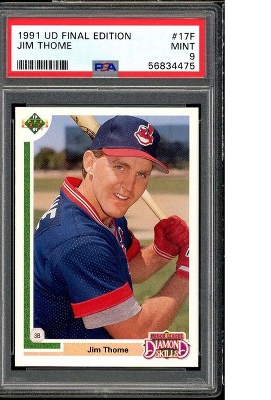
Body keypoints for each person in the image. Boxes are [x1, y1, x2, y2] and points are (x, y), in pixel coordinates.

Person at [33, 115, 189, 339]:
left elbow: (129, 269)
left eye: (142, 174)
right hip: (71, 358)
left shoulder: (99, 210)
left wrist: (161, 251)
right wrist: (189, 272)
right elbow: (136, 334)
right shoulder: (79, 241)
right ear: (90, 163)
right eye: (120, 167)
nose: (130, 186)